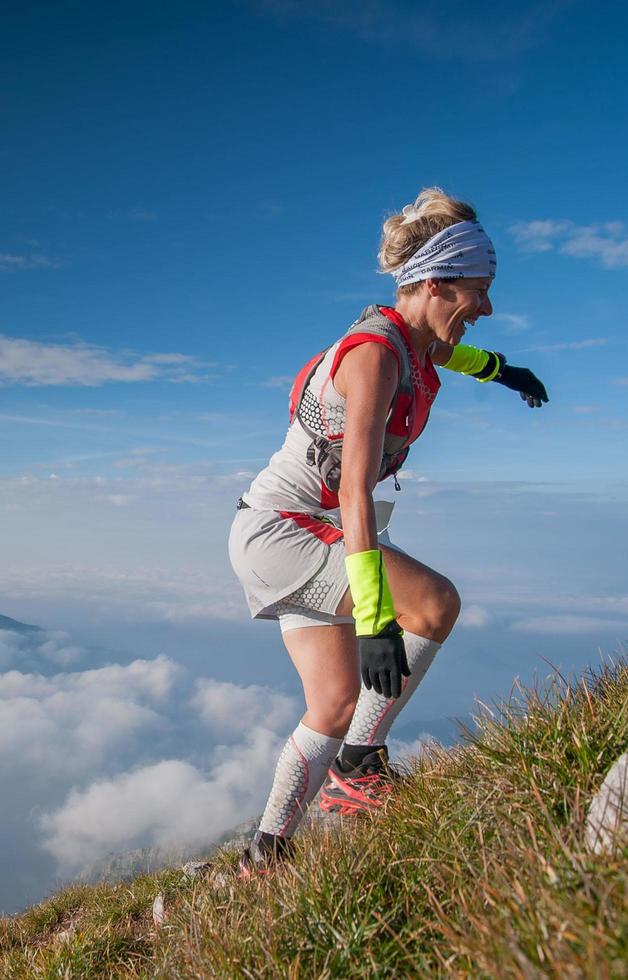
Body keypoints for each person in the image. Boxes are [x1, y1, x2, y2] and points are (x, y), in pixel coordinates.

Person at [227, 187, 548, 875]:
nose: (485, 308)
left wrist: (505, 372)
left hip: (281, 527)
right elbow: (351, 487)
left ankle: (266, 854)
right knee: (432, 603)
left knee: (336, 702)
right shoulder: (374, 355)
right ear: (433, 283)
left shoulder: (416, 344)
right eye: (477, 291)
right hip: (289, 530)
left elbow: (453, 359)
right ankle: (360, 767)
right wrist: (375, 619)